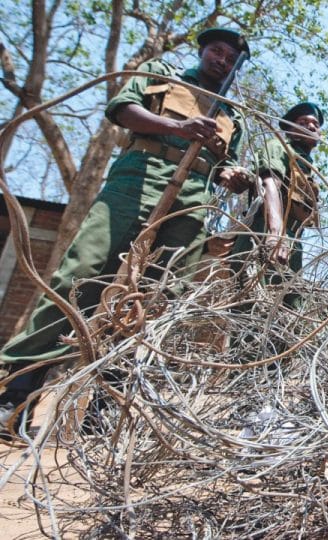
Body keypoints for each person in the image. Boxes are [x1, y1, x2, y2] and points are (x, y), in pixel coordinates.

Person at [0, 28, 252, 439]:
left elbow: (227, 165)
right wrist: (183, 127)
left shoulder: (232, 115)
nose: (222, 60)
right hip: (137, 180)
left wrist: (233, 176)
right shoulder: (163, 73)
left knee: (157, 299)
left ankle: (104, 410)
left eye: (230, 57)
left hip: (192, 201)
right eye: (216, 51)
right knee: (82, 274)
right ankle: (20, 392)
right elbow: (121, 110)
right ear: (202, 51)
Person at [233, 102, 323, 272]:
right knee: (258, 294)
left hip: (291, 239)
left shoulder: (307, 166)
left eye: (315, 124)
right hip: (266, 232)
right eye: (302, 123)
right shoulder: (279, 146)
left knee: (292, 296)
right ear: (290, 130)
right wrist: (275, 233)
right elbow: (269, 183)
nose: (310, 126)